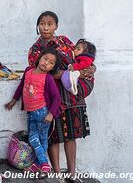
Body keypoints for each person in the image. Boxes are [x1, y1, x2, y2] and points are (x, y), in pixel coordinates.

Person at [28, 11, 96, 182]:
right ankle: (57, 174)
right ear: (38, 26)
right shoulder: (35, 50)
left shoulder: (65, 41)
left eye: (50, 24)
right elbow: (43, 72)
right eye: (42, 24)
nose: (45, 27)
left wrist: (90, 69)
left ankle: (72, 174)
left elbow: (82, 58)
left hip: (72, 96)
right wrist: (72, 74)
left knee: (71, 135)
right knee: (54, 136)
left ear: (56, 26)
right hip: (51, 97)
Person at [5, 48, 61, 178]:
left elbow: (57, 97)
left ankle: (44, 164)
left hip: (43, 113)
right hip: (30, 112)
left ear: (53, 67)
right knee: (39, 139)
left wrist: (51, 114)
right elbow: (21, 86)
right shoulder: (28, 71)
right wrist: (14, 100)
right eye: (45, 58)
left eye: (51, 63)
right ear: (40, 57)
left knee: (35, 138)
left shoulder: (48, 78)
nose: (46, 63)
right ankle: (37, 164)